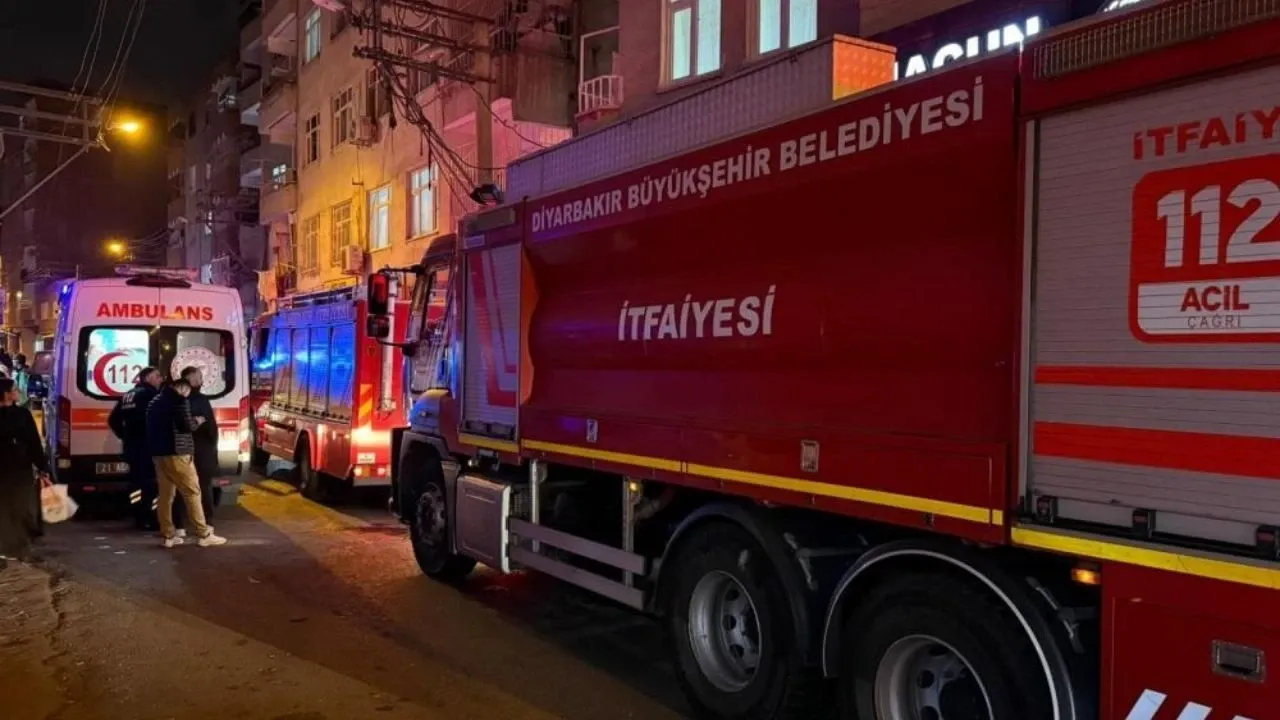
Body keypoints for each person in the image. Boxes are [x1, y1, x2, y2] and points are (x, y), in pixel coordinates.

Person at [146, 378, 226, 548]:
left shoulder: (155, 401)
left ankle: (168, 535)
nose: (189, 394)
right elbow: (185, 426)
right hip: (178, 453)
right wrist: (197, 421)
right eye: (188, 391)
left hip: (159, 455)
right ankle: (203, 534)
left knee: (165, 496)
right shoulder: (179, 401)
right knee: (192, 492)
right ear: (182, 388)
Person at [109, 367, 169, 530]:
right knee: (152, 484)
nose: (161, 379)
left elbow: (113, 420)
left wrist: (125, 436)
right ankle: (151, 518)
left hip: (132, 448)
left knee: (135, 483)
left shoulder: (128, 395)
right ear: (147, 378)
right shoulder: (151, 395)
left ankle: (138, 516)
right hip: (148, 448)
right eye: (157, 376)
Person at [0, 377, 51, 568]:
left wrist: (42, 466)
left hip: (19, 470)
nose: (17, 392)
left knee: (20, 507)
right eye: (13, 389)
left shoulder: (22, 414)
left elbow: (33, 442)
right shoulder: (18, 415)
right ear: (6, 393)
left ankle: (19, 547)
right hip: (6, 470)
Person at [179, 366, 218, 521]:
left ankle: (181, 522)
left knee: (182, 486)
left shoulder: (175, 397)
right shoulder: (200, 400)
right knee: (203, 486)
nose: (202, 380)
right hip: (201, 449)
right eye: (199, 377)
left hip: (180, 450)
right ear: (191, 378)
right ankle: (206, 521)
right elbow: (210, 427)